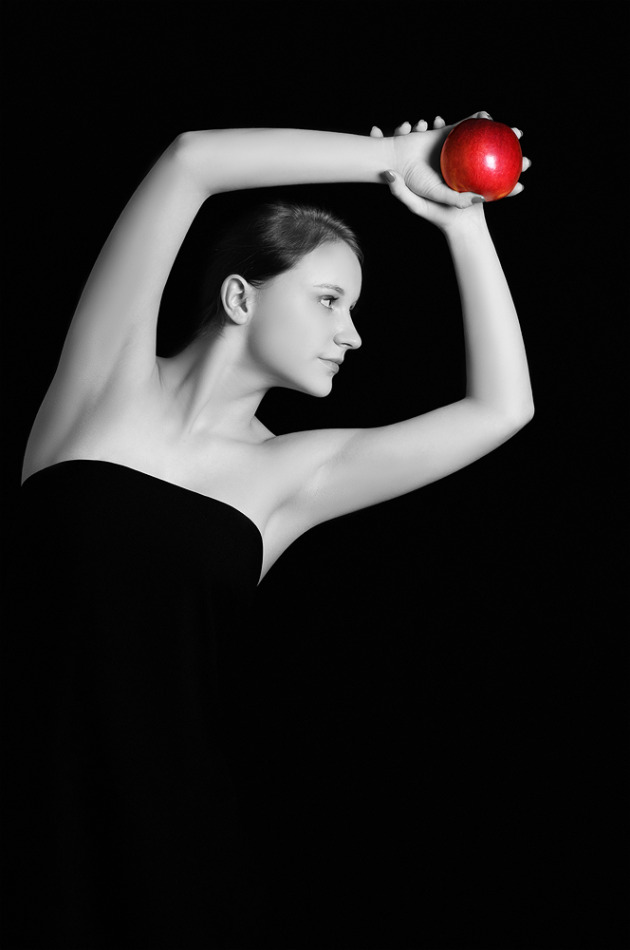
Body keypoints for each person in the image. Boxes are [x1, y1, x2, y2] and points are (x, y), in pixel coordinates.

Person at [7, 113, 533, 949]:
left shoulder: (293, 477)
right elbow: (190, 161)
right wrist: (397, 160)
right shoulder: (103, 387)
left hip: (171, 866)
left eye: (353, 309)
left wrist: (464, 221)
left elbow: (502, 409)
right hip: (23, 836)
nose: (352, 334)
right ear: (240, 295)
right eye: (330, 300)